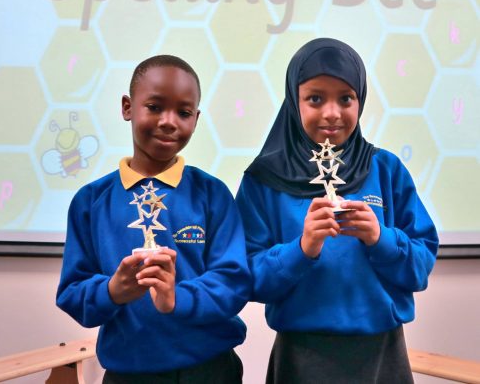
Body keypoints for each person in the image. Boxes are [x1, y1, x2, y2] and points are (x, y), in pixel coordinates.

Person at [235, 37, 439, 383]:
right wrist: (301, 249)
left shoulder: (386, 169)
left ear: (361, 100)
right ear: (294, 100)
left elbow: (420, 267)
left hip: (383, 354)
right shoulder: (263, 180)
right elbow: (248, 278)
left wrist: (380, 238)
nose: (332, 113)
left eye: (346, 98)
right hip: (302, 357)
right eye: (315, 98)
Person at [57, 55, 250, 383]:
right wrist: (112, 290)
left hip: (211, 370)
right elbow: (72, 293)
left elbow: (234, 283)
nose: (169, 122)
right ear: (127, 108)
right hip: (129, 373)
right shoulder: (90, 202)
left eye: (184, 113)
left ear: (196, 119)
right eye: (155, 107)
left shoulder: (212, 194)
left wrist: (177, 298)